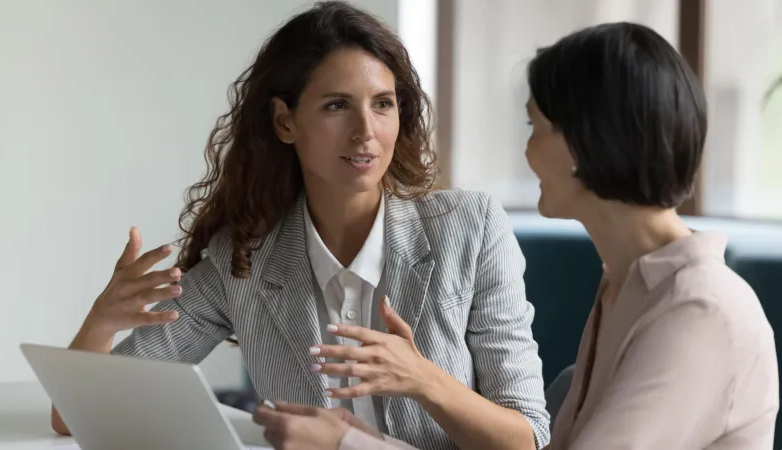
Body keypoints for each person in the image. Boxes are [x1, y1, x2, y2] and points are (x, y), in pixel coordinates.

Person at [253, 21, 779, 450]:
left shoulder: (698, 309)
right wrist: (354, 438)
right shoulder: (627, 286)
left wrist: (354, 444)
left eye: (535, 128)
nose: (526, 153)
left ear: (584, 144)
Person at [48, 2, 551, 449]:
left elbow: (525, 440)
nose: (366, 132)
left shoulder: (471, 228)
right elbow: (74, 417)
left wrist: (422, 378)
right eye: (337, 106)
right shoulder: (242, 261)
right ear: (285, 122)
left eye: (382, 103)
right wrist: (103, 321)